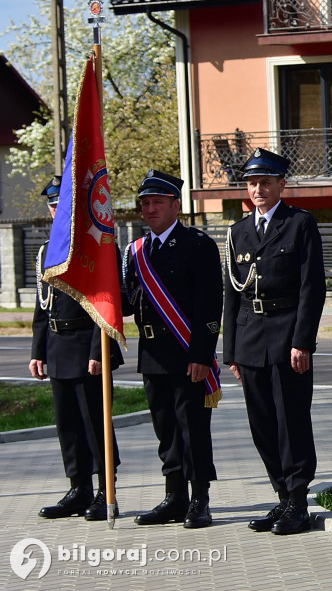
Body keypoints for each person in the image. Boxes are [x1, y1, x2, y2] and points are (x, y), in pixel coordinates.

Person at [223, 148, 326, 536]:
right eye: (252, 183)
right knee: (262, 423)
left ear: (282, 184)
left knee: (291, 421)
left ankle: (298, 501)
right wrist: (230, 351)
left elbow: (311, 288)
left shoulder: (299, 224)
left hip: (287, 338)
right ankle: (281, 496)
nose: (258, 188)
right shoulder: (237, 232)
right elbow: (231, 295)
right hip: (251, 339)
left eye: (265, 181)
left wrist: (303, 341)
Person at [123, 170, 222, 529]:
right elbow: (124, 304)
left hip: (186, 354)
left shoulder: (198, 245)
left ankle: (200, 499)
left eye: (157, 203)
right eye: (145, 203)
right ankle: (174, 496)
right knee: (165, 429)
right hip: (151, 352)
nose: (150, 209)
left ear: (175, 206)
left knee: (192, 428)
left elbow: (210, 307)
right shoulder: (136, 251)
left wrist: (201, 355)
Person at [31, 175, 122, 521]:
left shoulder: (97, 245)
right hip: (57, 346)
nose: (57, 211)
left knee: (95, 423)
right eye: (53, 206)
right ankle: (78, 487)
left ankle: (104, 490)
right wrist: (37, 351)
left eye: (63, 206)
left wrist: (100, 352)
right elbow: (43, 306)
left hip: (88, 346)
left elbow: (107, 301)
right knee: (67, 424)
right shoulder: (46, 251)